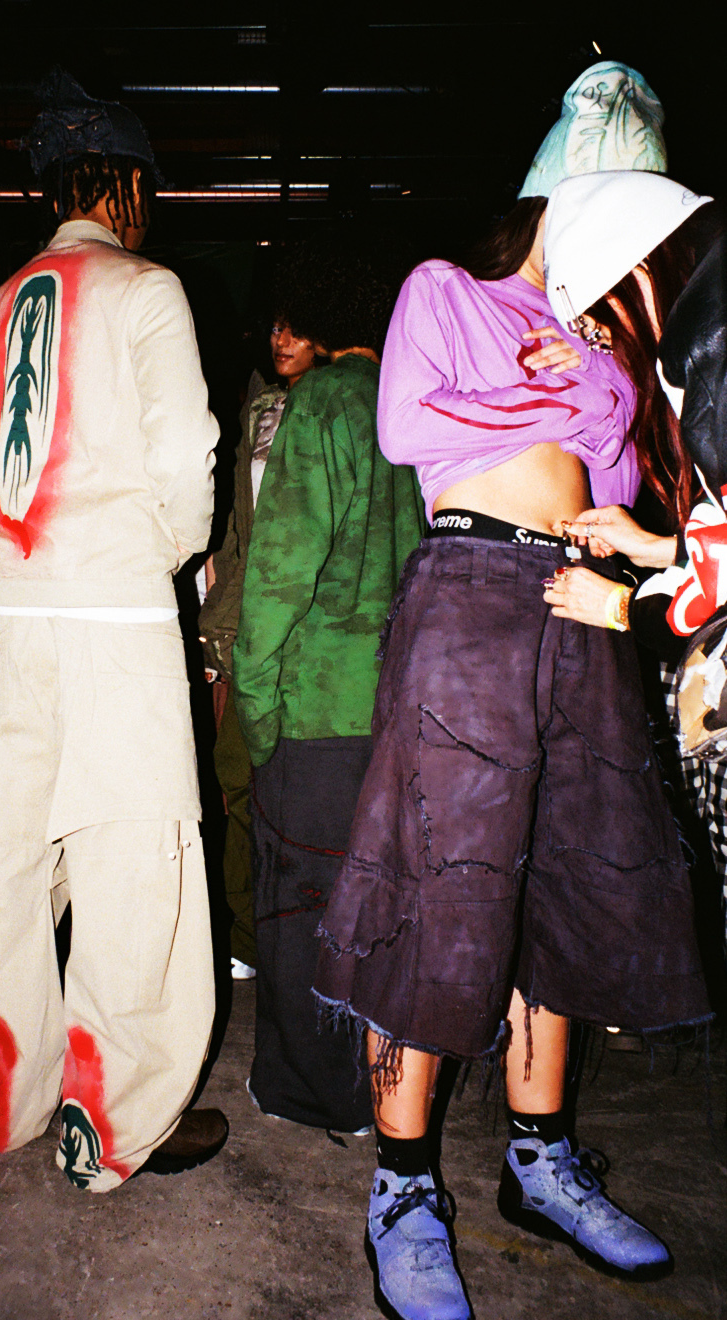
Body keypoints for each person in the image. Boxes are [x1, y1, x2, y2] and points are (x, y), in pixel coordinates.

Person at [313, 196, 711, 1318]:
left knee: (564, 878)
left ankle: (538, 1162)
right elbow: (408, 425)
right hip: (466, 585)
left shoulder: (599, 334)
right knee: (439, 886)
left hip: (580, 600)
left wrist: (606, 386)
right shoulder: (445, 289)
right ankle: (401, 1186)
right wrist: (572, 395)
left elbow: (615, 492)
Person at [0, 71, 226, 1190]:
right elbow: (184, 456)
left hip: (18, 629)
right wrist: (160, 562)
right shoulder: (147, 291)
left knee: (4, 866)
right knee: (133, 864)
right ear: (127, 187)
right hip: (117, 620)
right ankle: (112, 1122)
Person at [232, 241, 426, 1133]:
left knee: (298, 906)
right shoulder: (413, 403)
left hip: (316, 706)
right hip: (400, 701)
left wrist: (254, 703)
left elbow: (279, 571)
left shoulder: (319, 402)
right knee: (376, 907)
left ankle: (314, 1092)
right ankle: (379, 1088)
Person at [538, 170, 725, 933]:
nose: (606, 347)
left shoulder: (705, 338)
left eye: (596, 326)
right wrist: (655, 547)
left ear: (635, 275)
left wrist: (621, 606)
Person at [199, 300, 320, 981]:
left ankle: (303, 938)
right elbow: (237, 535)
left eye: (295, 327)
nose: (282, 339)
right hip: (251, 623)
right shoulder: (258, 410)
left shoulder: (343, 407)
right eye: (274, 326)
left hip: (315, 627)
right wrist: (217, 620)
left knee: (303, 789)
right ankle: (246, 934)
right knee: (238, 779)